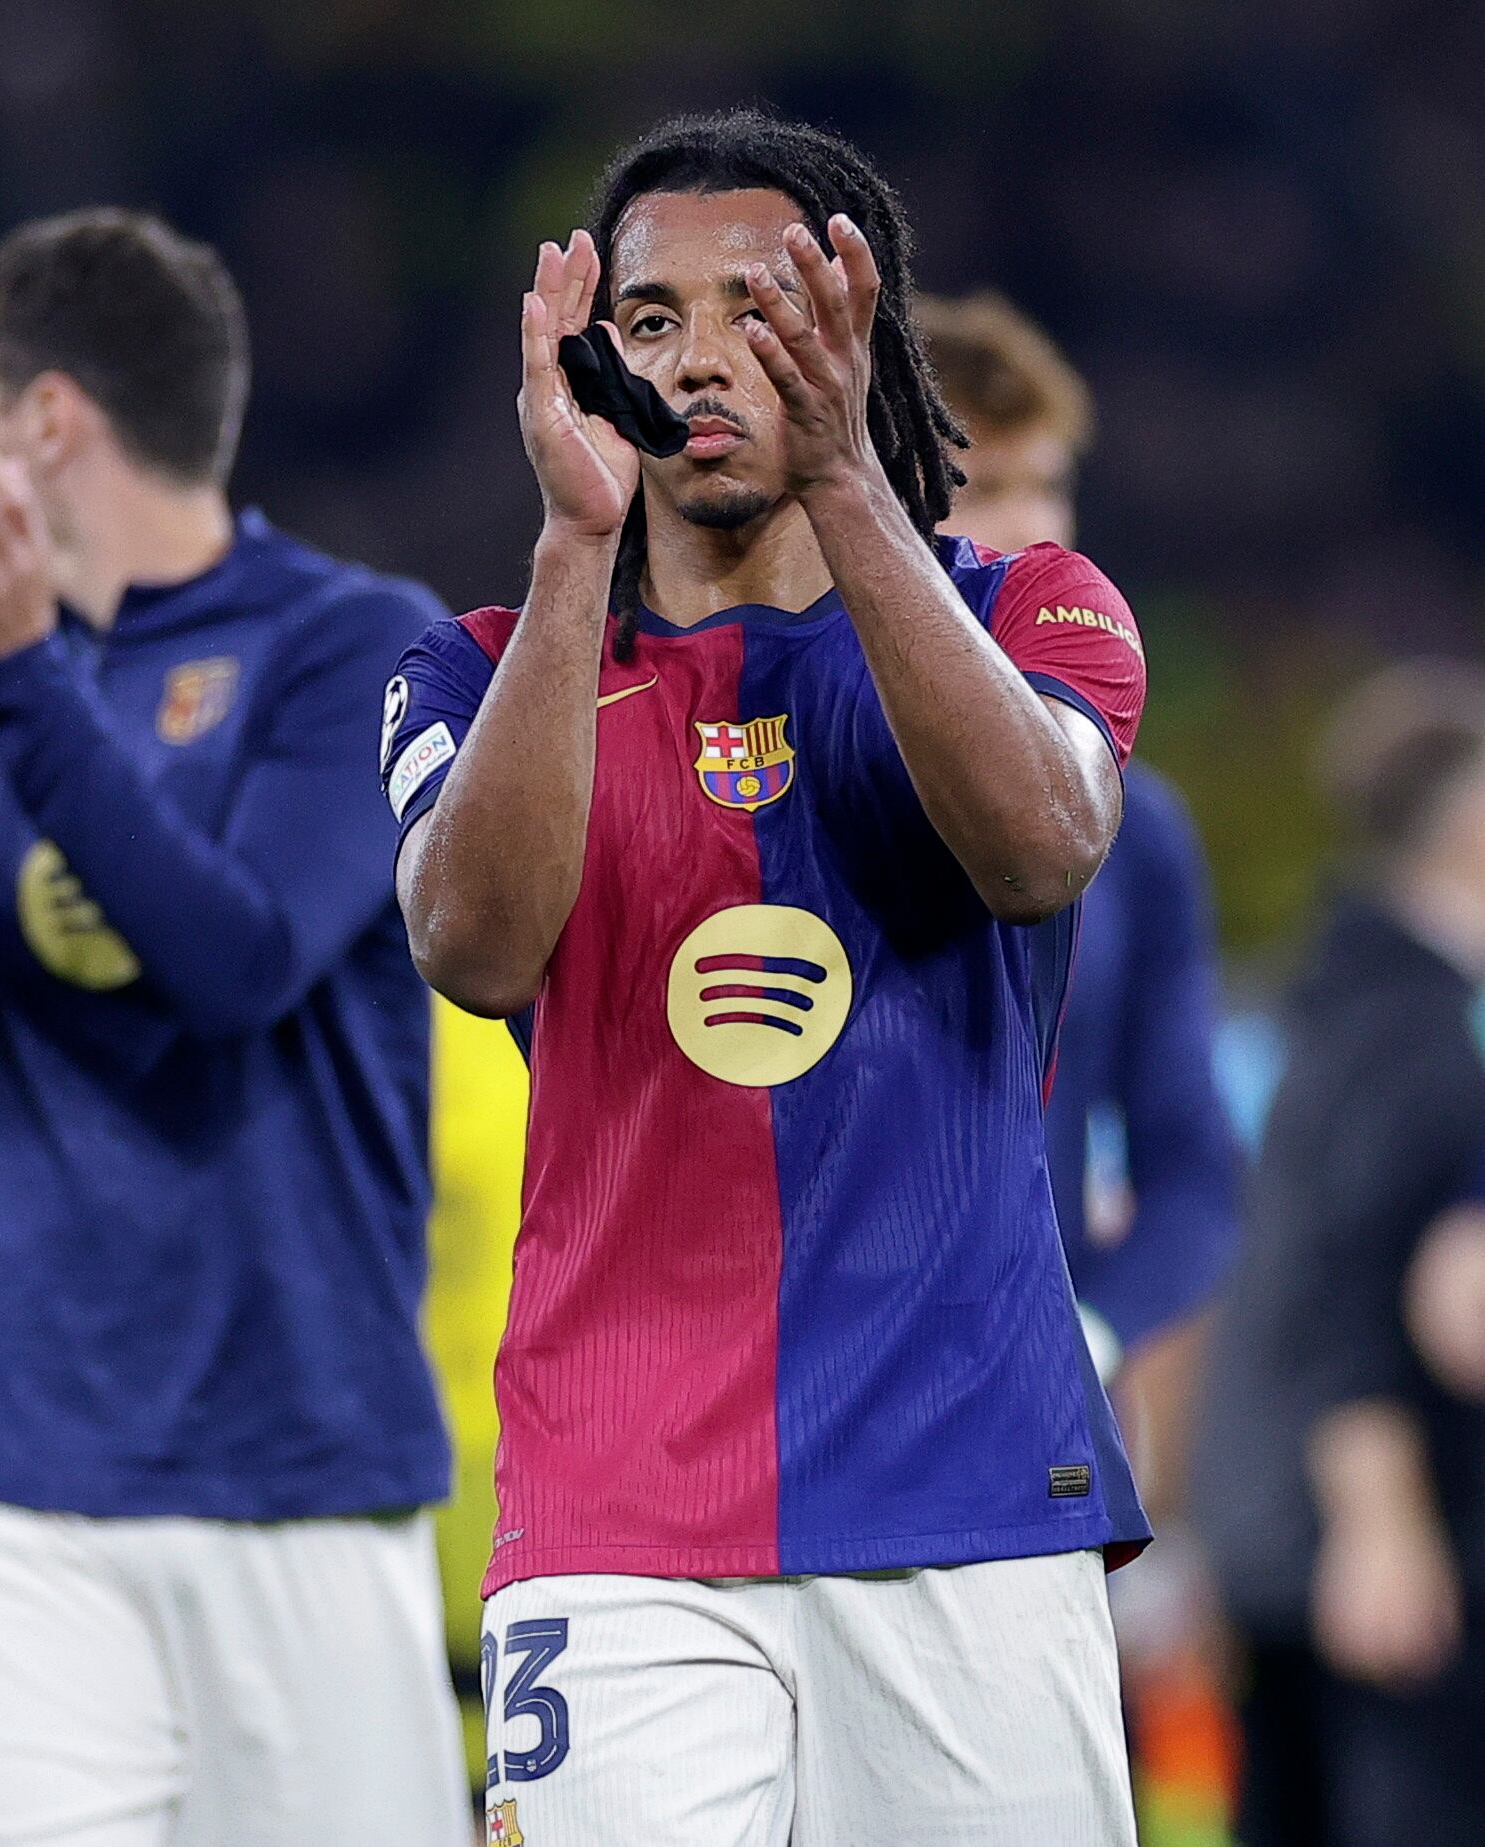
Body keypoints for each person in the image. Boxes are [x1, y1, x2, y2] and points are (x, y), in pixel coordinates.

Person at [387, 110, 1150, 1842]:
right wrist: (574, 547)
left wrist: (846, 489)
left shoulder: (1038, 605)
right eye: (649, 320)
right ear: (593, 364)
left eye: (763, 304)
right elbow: (473, 943)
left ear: (856, 340)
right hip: (618, 1513)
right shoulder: (478, 667)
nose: (700, 354)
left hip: (971, 1495)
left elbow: (1036, 846)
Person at [0, 208, 464, 1845]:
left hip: (298, 1475)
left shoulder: (351, 648)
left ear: (43, 420)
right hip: (11, 1484)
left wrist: (24, 691)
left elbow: (240, 957)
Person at [918, 291, 1240, 1392]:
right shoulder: (759, 771)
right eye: (984, 489)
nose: (1032, 528)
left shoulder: (1135, 832)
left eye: (1046, 483)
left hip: (1026, 1430)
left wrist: (1088, 1336)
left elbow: (1190, 1166)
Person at [1197, 664, 1485, 1845]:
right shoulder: (1413, 1030)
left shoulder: (1320, 1000)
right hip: (1369, 1542)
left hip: (1276, 1518)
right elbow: (1351, 1278)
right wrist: (1378, 1519)